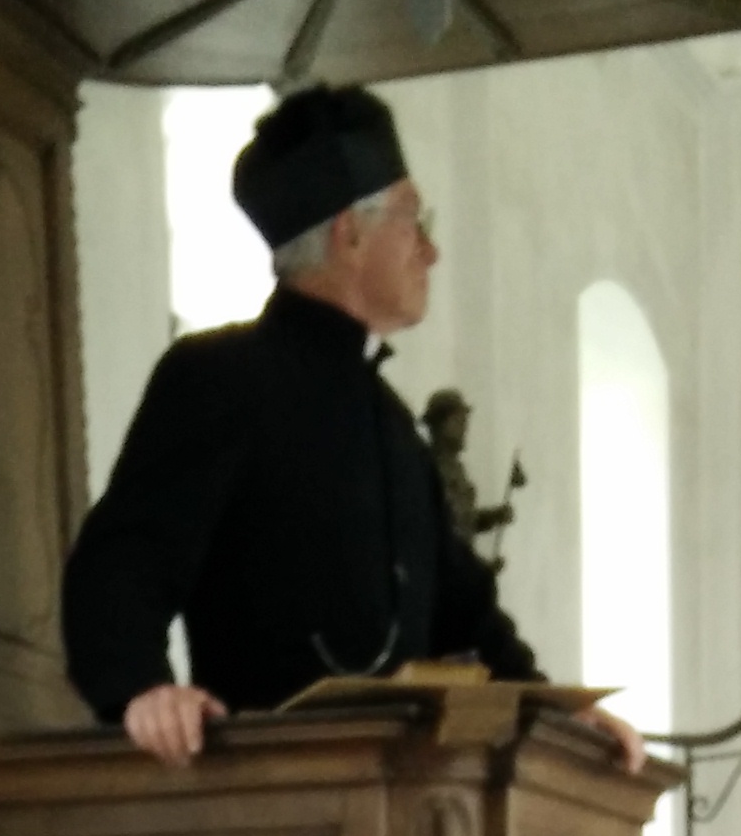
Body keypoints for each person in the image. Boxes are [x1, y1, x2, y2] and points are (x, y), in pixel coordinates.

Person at [62, 82, 635, 773]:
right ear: (350, 233)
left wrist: (560, 712)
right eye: (413, 220)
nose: (430, 251)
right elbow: (124, 560)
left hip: (403, 801)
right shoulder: (219, 378)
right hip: (267, 800)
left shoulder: (393, 425)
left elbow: (465, 617)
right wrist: (143, 690)